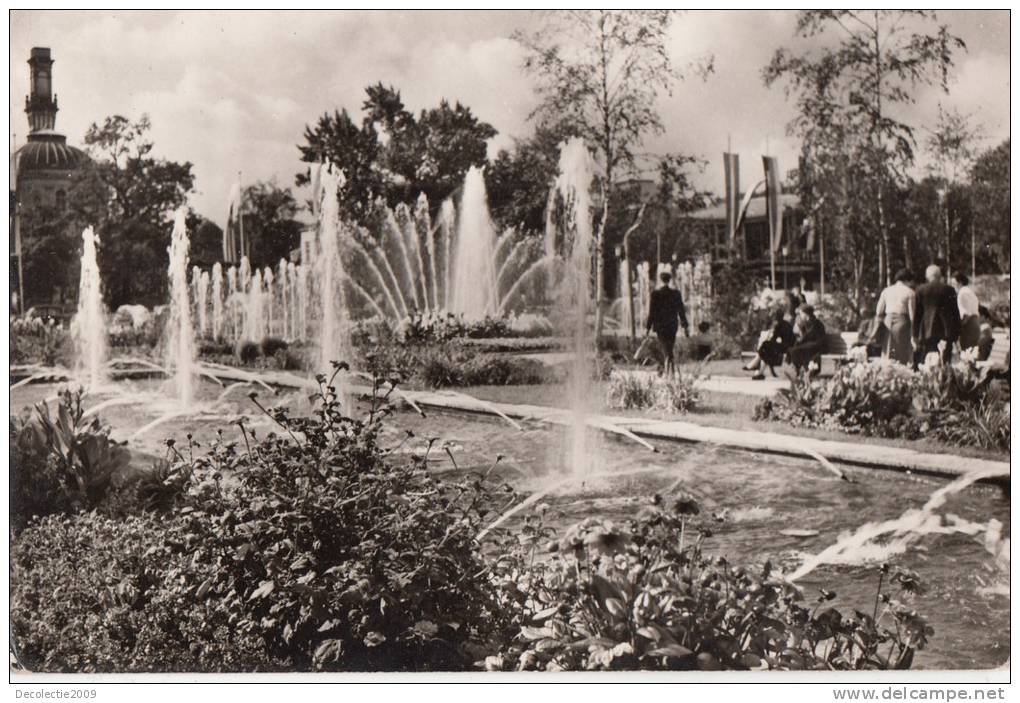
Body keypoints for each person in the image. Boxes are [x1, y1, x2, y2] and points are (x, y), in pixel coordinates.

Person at [913, 264, 961, 365]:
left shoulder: (920, 290)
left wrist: (915, 334)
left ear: (927, 276)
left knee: (927, 361)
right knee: (944, 361)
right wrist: (957, 334)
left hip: (926, 332)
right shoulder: (949, 290)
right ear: (940, 276)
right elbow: (955, 313)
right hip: (945, 332)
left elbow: (917, 315)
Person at [645, 271, 689, 376]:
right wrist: (685, 326)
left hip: (660, 326)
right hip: (672, 325)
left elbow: (652, 312)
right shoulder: (676, 294)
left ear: (660, 280)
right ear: (670, 280)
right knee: (669, 347)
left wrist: (647, 327)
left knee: (665, 347)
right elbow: (681, 311)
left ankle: (666, 369)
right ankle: (669, 370)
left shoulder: (655, 294)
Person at [874, 268, 916, 365]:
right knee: (902, 352)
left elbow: (878, 310)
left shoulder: (886, 291)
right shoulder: (910, 292)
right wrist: (913, 334)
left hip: (888, 321)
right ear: (907, 280)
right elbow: (912, 315)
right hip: (902, 321)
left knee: (887, 350)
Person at [743, 308, 796, 379]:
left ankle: (755, 366)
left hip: (786, 347)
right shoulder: (786, 324)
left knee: (765, 345)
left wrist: (770, 337)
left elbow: (773, 338)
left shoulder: (778, 325)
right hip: (789, 345)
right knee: (766, 348)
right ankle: (758, 372)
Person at [787, 303, 826, 374]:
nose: (800, 316)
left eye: (801, 313)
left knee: (796, 350)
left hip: (817, 346)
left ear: (806, 314)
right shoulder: (806, 323)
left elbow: (815, 339)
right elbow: (804, 338)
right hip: (811, 346)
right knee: (793, 349)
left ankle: (800, 370)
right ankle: (799, 369)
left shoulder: (816, 324)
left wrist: (802, 339)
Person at [951, 272, 981, 352]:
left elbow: (965, 315)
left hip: (969, 327)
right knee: (971, 354)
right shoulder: (969, 291)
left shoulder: (962, 293)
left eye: (954, 284)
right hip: (975, 324)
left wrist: (958, 328)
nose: (953, 287)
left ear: (960, 283)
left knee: (967, 354)